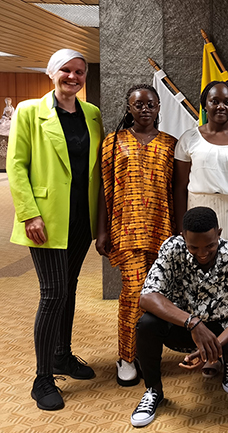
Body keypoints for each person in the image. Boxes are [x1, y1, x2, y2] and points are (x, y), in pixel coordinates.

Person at [7, 49, 104, 411]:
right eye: (66, 70)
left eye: (80, 72)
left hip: (81, 218)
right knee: (52, 293)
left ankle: (63, 356)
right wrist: (29, 213)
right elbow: (16, 165)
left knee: (70, 288)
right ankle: (42, 378)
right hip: (45, 220)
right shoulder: (30, 111)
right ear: (52, 73)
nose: (74, 77)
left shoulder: (91, 114)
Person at [130, 207, 228, 427]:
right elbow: (147, 297)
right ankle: (153, 391)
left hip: (224, 331)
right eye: (193, 247)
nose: (202, 253)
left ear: (219, 233)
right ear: (183, 237)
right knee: (146, 324)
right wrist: (192, 323)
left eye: (210, 245)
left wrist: (213, 346)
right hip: (185, 329)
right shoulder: (172, 248)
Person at [96, 84, 176, 387]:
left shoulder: (171, 144)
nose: (145, 109)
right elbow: (105, 190)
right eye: (138, 104)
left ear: (158, 108)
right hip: (126, 230)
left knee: (157, 296)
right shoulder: (113, 142)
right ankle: (126, 356)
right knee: (132, 294)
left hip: (161, 229)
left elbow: (175, 191)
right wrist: (102, 230)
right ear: (129, 108)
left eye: (150, 104)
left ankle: (147, 353)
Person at [174, 80, 228, 259]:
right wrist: (181, 229)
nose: (221, 106)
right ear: (205, 106)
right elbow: (179, 187)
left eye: (227, 102)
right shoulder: (189, 139)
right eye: (214, 101)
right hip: (199, 209)